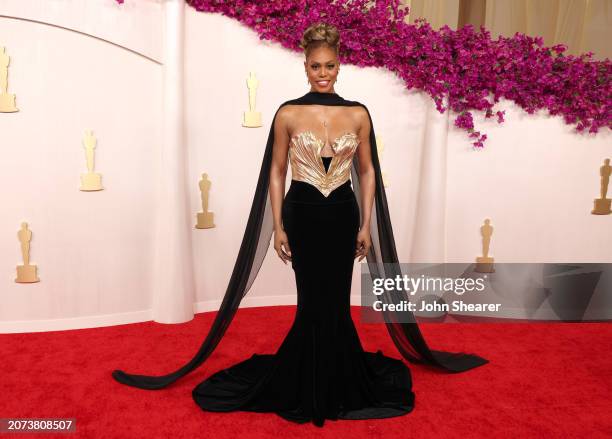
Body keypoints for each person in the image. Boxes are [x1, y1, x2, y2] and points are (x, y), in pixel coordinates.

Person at [112, 22, 488, 428]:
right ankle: (308, 376)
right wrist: (277, 225)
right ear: (305, 67)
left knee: (337, 298)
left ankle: (338, 373)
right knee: (311, 299)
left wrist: (365, 225)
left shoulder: (358, 114)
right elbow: (275, 172)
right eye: (315, 67)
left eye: (329, 66)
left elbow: (367, 173)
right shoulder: (288, 114)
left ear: (339, 65)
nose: (322, 74)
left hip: (343, 215)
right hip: (303, 214)